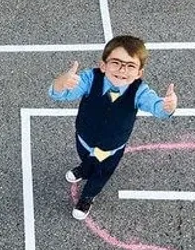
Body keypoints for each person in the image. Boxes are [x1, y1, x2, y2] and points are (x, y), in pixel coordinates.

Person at [49, 34, 178, 220]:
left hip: (111, 148)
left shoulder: (139, 91)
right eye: (116, 62)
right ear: (103, 65)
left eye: (130, 65)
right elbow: (61, 94)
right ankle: (84, 169)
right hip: (84, 138)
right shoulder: (90, 79)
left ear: (139, 73)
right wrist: (61, 82)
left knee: (101, 173)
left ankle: (88, 196)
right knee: (86, 159)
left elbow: (157, 107)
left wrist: (168, 107)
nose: (122, 70)